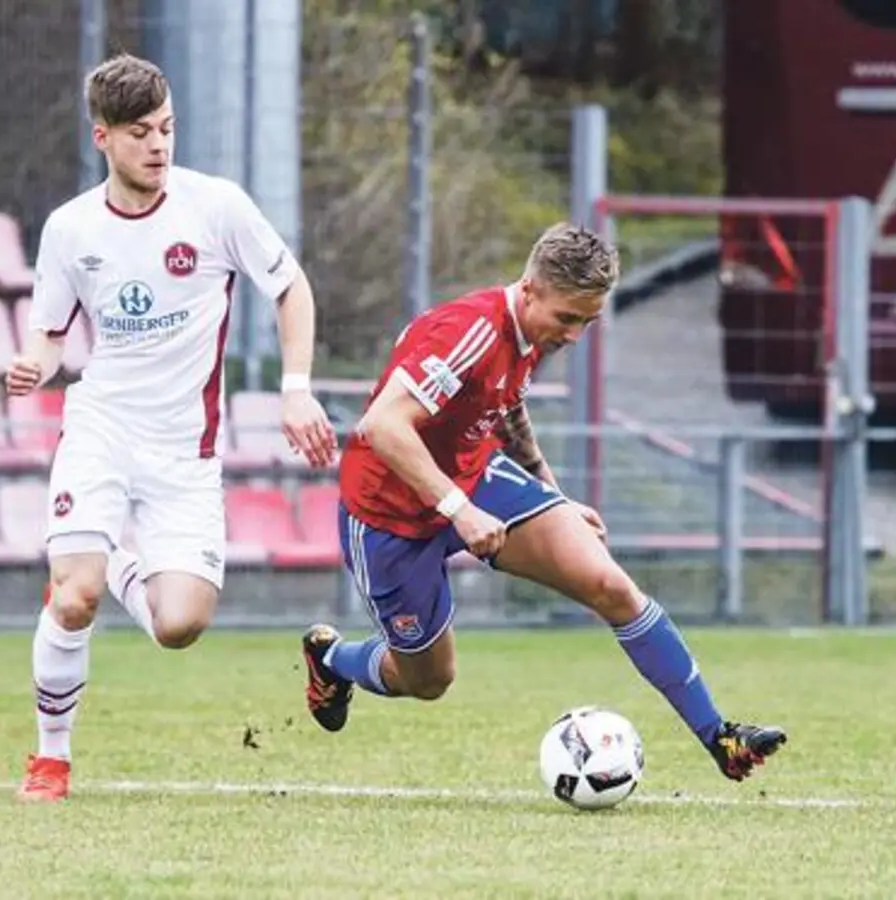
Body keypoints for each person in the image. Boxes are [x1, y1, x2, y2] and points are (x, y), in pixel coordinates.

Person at [301, 223, 786, 782]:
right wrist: (460, 509)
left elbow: (505, 406)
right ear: (529, 289)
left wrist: (554, 501)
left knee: (611, 585)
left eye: (588, 320)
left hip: (474, 475)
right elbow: (382, 425)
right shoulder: (468, 330)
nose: (575, 334)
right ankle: (332, 659)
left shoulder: (529, 333)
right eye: (568, 318)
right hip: (389, 513)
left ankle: (720, 735)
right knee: (429, 680)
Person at [5, 53, 337, 802]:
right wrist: (33, 362)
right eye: (140, 133)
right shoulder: (70, 229)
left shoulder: (216, 207)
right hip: (100, 428)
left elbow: (291, 288)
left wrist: (295, 390)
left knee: (178, 625)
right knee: (72, 597)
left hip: (185, 451)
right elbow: (50, 333)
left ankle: (117, 564)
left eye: (167, 128)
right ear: (103, 138)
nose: (159, 145)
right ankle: (50, 760)